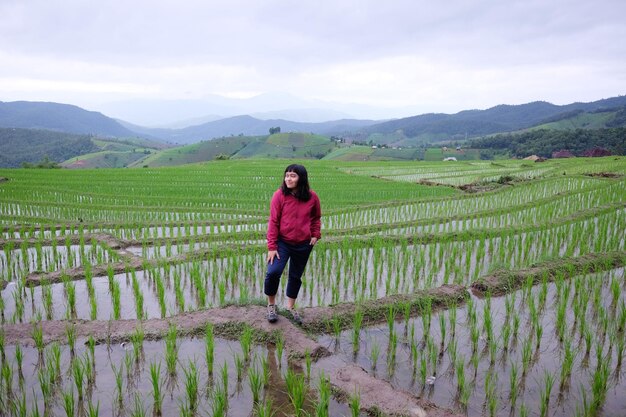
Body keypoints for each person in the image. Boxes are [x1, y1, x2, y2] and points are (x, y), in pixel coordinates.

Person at [265, 164, 321, 324]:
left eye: (293, 176)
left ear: (301, 178)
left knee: (295, 276)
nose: (288, 179)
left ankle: (290, 308)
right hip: (282, 242)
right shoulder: (279, 196)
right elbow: (273, 221)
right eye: (287, 175)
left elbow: (316, 218)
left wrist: (315, 235)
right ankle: (271, 305)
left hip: (303, 244)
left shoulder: (312, 197)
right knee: (273, 272)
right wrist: (272, 246)